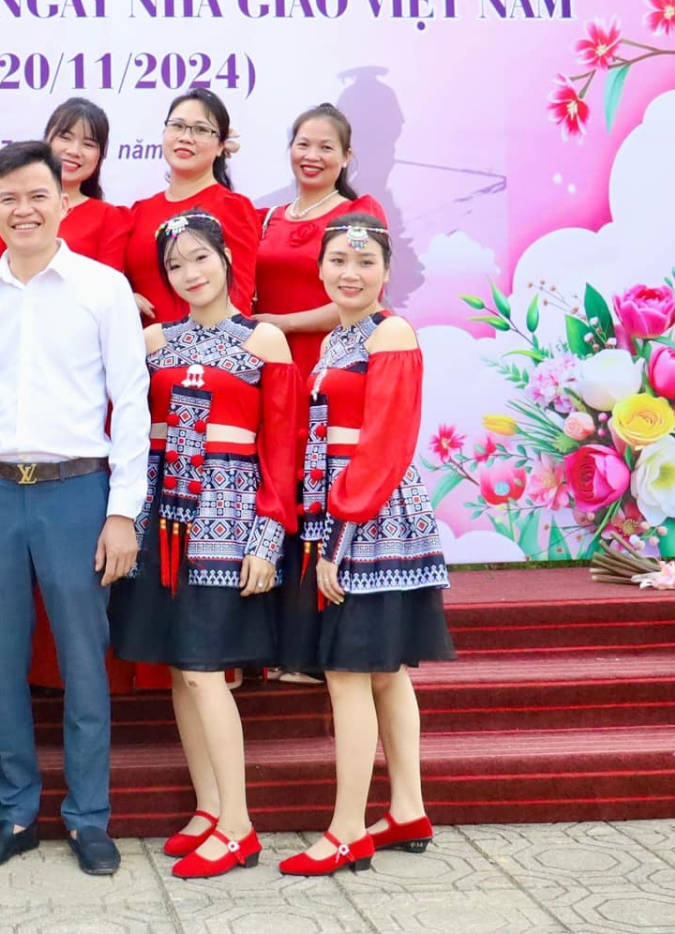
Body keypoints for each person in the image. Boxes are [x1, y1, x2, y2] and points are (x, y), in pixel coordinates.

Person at [0, 141, 149, 878]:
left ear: (64, 200)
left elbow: (131, 401)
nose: (24, 209)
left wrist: (123, 511)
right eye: (8, 197)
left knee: (82, 658)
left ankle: (89, 816)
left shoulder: (102, 287)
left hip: (77, 491)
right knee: (0, 658)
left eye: (38, 194)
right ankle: (15, 811)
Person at [109, 211, 300, 879]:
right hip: (162, 523)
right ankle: (210, 807)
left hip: (229, 522)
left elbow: (282, 449)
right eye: (175, 265)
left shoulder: (265, 341)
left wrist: (268, 539)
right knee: (180, 672)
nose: (190, 273)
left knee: (203, 668)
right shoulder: (154, 341)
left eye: (200, 258)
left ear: (225, 258)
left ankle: (240, 826)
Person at [279, 214, 455, 877]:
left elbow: (384, 443)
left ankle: (347, 829)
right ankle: (407, 807)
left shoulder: (391, 333)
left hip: (370, 520)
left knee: (350, 671)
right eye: (338, 261)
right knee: (383, 671)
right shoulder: (337, 337)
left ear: (386, 272)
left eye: (365, 262)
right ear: (321, 268)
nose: (350, 273)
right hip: (344, 510)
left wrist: (338, 538)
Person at [255, 104, 389, 378]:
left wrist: (286, 323)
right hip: (266, 360)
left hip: (330, 361)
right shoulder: (264, 219)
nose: (312, 156)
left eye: (326, 148)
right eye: (303, 145)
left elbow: (364, 299)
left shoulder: (357, 214)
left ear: (346, 157)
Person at [124, 93, 259, 325]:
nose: (186, 137)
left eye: (201, 130)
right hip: (143, 344)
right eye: (177, 126)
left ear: (221, 146)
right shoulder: (139, 211)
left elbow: (238, 295)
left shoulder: (233, 207)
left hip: (208, 344)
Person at [0, 98, 130, 273]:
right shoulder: (5, 199)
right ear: (47, 139)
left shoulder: (109, 218)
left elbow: (107, 283)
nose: (74, 151)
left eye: (88, 144)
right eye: (65, 137)